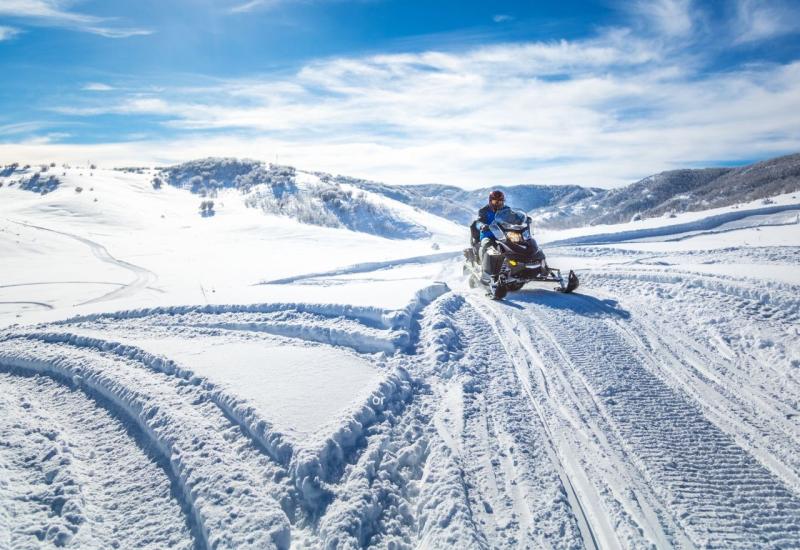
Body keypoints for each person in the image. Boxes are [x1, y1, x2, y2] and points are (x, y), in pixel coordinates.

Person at [476, 190, 506, 262]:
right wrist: (482, 226)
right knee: (487, 246)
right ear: (490, 201)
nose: (497, 203)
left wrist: (524, 219)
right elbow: (478, 222)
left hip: (504, 235)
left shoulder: (506, 209)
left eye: (500, 201)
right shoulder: (484, 210)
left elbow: (514, 217)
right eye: (495, 201)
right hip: (488, 235)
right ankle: (484, 268)